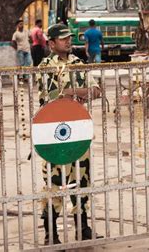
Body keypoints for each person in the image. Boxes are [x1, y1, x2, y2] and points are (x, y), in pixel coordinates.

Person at [36, 23, 102, 245]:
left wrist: (72, 92)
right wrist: (75, 95)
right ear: (52, 43)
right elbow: (50, 97)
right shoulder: (45, 66)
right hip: (53, 133)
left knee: (82, 178)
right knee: (53, 182)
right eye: (63, 38)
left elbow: (96, 91)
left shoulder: (78, 64)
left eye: (69, 37)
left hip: (78, 130)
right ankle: (51, 234)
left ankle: (82, 228)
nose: (68, 41)